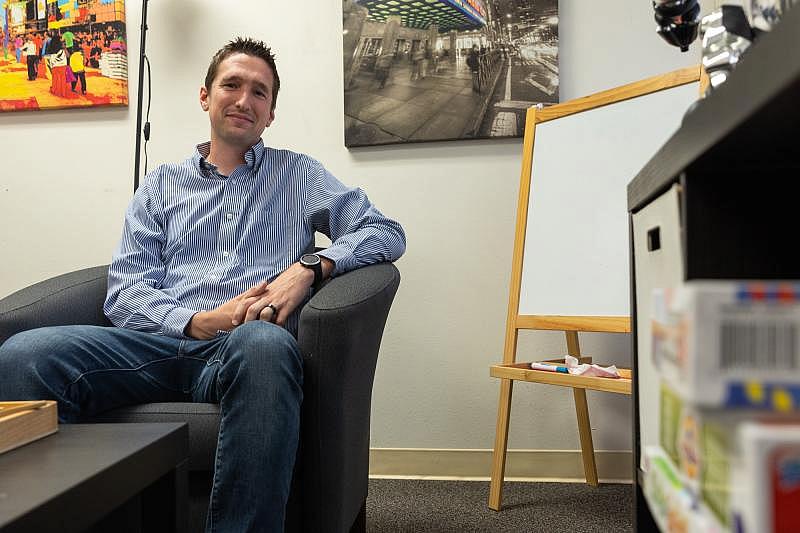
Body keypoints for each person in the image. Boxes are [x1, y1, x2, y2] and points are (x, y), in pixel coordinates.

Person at [0, 37, 405, 532]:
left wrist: (308, 268)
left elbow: (385, 231)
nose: (244, 100)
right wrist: (197, 321)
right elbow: (125, 292)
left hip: (243, 347)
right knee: (23, 354)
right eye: (231, 84)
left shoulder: (299, 175)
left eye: (260, 92)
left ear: (271, 113)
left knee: (265, 345)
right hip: (149, 347)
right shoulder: (161, 184)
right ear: (204, 96)